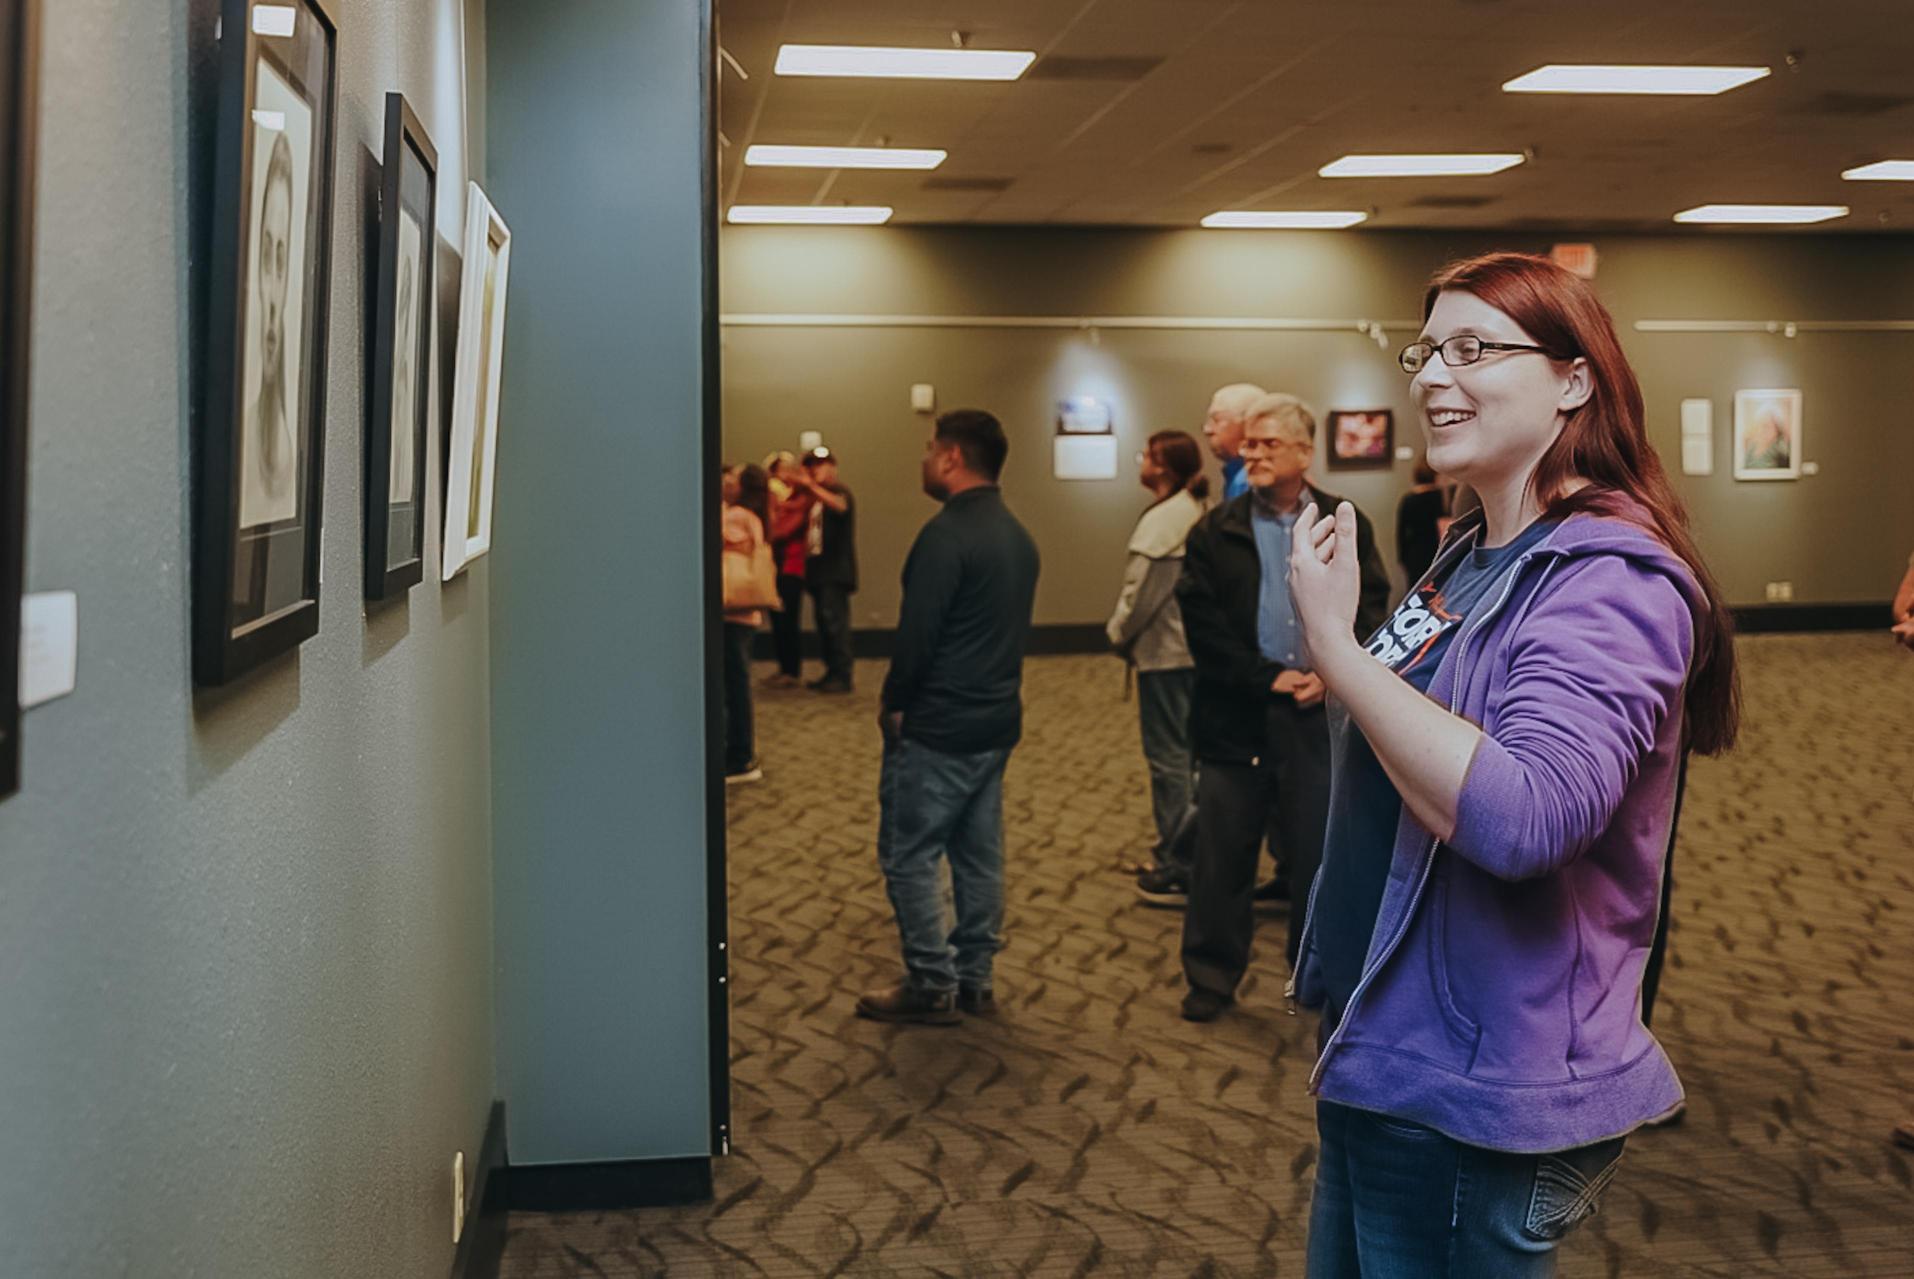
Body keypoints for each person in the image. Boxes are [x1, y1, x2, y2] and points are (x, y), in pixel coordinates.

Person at [1285, 252, 1740, 1276]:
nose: (1433, 376)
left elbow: (1525, 819)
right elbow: (1405, 731)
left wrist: (1341, 655)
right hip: (1383, 1046)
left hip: (1478, 1085)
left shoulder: (1614, 577)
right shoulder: (1469, 551)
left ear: (1575, 380)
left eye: (1475, 348)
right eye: (1427, 350)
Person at [1175, 393, 1390, 1023]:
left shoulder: (1345, 525)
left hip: (1317, 721)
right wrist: (1265, 677)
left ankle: (1314, 978)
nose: (1255, 453)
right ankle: (1211, 978)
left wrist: (1334, 672)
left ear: (1304, 452)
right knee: (1221, 858)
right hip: (1236, 717)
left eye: (1270, 444)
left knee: (1316, 858)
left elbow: (1374, 605)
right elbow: (1203, 624)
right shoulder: (1216, 532)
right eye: (1251, 443)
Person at [857, 411, 1040, 1025]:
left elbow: (919, 637)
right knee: (978, 855)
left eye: (930, 448)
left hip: (939, 726)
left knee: (909, 854)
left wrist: (894, 702)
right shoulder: (1017, 536)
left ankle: (931, 982)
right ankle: (975, 980)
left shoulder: (945, 536)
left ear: (953, 458)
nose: (924, 459)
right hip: (994, 723)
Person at [1107, 431, 1211, 903]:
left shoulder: (1165, 520)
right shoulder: (1189, 511)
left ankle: (1180, 862)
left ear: (1164, 466)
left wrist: (1116, 634)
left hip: (1167, 656)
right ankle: (1188, 850)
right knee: (1187, 758)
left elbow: (1141, 596)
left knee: (1169, 759)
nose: (1140, 461)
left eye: (1147, 455)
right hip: (1190, 652)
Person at [243, 131, 298, 529]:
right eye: (265, 255)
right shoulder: (242, 441)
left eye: (281, 257)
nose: (274, 298)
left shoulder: (297, 458)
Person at [719, 464, 774, 784]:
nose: (728, 478)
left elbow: (717, 536)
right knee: (736, 683)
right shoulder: (753, 514)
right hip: (743, 614)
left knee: (735, 686)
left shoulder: (737, 516)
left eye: (734, 476)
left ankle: (740, 756)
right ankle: (740, 752)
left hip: (733, 613)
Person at [794, 447, 857, 693]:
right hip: (818, 571)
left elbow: (840, 507)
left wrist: (810, 486)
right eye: (811, 466)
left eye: (820, 465)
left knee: (835, 623)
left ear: (833, 467)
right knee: (824, 623)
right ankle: (832, 671)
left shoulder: (838, 492)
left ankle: (842, 674)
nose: (815, 470)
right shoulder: (814, 500)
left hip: (835, 570)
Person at [762, 450, 811, 688]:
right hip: (775, 567)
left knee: (789, 620)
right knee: (778, 620)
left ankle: (792, 670)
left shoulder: (800, 500)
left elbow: (780, 532)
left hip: (792, 566)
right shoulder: (777, 499)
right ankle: (784, 668)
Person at [1201, 383, 1267, 501]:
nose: (1207, 429)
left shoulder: (1251, 480)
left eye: (1216, 420)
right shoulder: (1238, 477)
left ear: (1248, 424)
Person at [1394, 456, 1448, 590]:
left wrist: (1403, 557)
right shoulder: (1441, 497)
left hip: (1415, 553)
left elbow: (1401, 531)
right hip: (1435, 550)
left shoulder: (1409, 499)